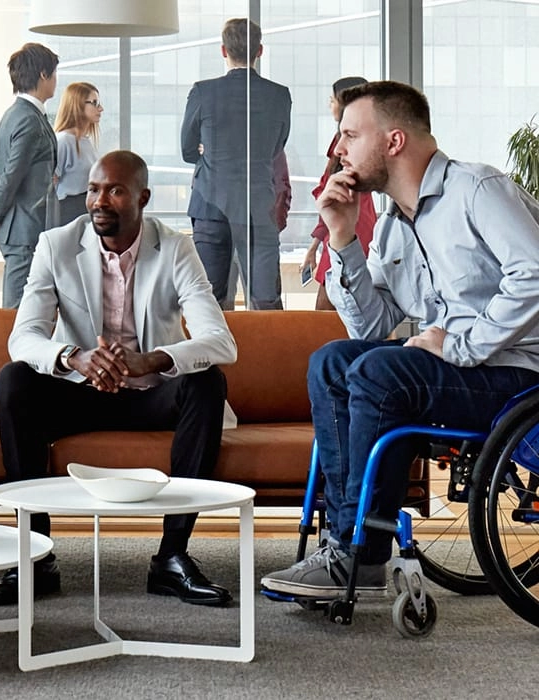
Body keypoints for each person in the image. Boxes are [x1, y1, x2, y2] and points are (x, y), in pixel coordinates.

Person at [260, 81, 539, 598]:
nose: (338, 149)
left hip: (519, 375)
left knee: (378, 371)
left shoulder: (478, 190)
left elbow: (534, 274)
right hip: (463, 375)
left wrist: (459, 345)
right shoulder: (391, 227)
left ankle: (357, 552)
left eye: (349, 134)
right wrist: (342, 238)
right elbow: (369, 329)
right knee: (333, 361)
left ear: (393, 141)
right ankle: (346, 545)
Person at [0, 150, 238, 607]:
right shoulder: (56, 244)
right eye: (95, 189)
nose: (99, 200)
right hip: (80, 393)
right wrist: (74, 357)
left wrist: (152, 360)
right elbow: (23, 337)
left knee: (207, 383)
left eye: (115, 190)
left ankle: (172, 558)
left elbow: (221, 341)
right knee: (13, 380)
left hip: (151, 396)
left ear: (143, 198)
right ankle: (36, 557)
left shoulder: (175, 247)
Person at [180, 17, 292, 310]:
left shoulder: (203, 92)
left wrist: (205, 153)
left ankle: (215, 357)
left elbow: (186, 149)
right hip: (259, 207)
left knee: (209, 302)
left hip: (211, 207)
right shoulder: (279, 95)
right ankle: (267, 356)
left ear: (223, 50)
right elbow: (277, 147)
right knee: (266, 302)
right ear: (260, 51)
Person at [0, 42, 59, 309]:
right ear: (43, 75)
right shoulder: (29, 119)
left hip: (19, 228)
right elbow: (8, 175)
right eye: (55, 74)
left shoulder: (15, 115)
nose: (56, 81)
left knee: (30, 308)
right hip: (24, 230)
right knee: (18, 311)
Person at [301, 76, 377, 311]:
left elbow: (332, 197)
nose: (330, 104)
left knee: (329, 310)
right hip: (348, 227)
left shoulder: (351, 145)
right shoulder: (348, 141)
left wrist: (316, 244)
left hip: (351, 228)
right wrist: (314, 245)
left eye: (332, 99)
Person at [52, 81, 102, 227]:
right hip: (69, 213)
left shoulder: (86, 141)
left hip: (87, 210)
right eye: (94, 103)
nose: (100, 108)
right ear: (77, 105)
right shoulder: (63, 141)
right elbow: (49, 184)